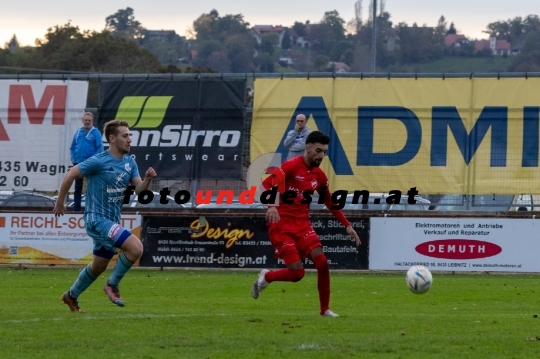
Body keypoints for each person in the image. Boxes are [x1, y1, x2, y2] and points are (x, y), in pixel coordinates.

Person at [252, 130, 361, 317]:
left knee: (322, 262)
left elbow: (329, 201)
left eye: (324, 152)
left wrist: (347, 225)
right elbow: (266, 184)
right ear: (308, 148)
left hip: (302, 225)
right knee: (297, 274)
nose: (321, 155)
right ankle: (267, 276)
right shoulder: (291, 166)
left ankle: (325, 309)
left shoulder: (319, 176)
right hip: (281, 225)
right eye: (318, 151)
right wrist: (271, 206)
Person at [54, 119, 157, 312]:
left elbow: (139, 191)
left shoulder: (129, 162)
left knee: (98, 266)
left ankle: (71, 296)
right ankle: (112, 285)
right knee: (135, 248)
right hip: (96, 219)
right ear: (112, 138)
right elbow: (70, 174)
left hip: (111, 221)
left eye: (130, 135)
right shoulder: (98, 161)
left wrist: (148, 180)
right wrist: (60, 202)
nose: (130, 140)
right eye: (125, 135)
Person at [69, 112, 103, 211]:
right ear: (83, 121)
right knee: (78, 186)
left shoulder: (95, 132)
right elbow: (72, 147)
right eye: (86, 120)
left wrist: (94, 160)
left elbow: (99, 148)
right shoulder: (78, 132)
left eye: (89, 120)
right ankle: (76, 207)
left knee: (91, 187)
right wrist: (73, 159)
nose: (87, 122)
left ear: (92, 121)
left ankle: (91, 208)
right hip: (78, 163)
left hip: (90, 163)